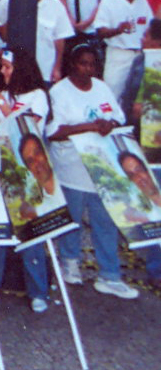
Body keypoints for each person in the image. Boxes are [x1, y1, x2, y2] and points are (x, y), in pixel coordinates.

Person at [47, 43, 157, 297]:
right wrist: (87, 126)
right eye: (82, 63)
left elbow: (119, 117)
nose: (87, 69)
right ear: (72, 64)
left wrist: (108, 123)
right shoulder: (59, 91)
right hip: (71, 168)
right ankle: (70, 263)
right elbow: (54, 132)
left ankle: (109, 275)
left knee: (105, 222)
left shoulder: (102, 87)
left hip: (102, 168)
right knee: (72, 220)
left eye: (92, 64)